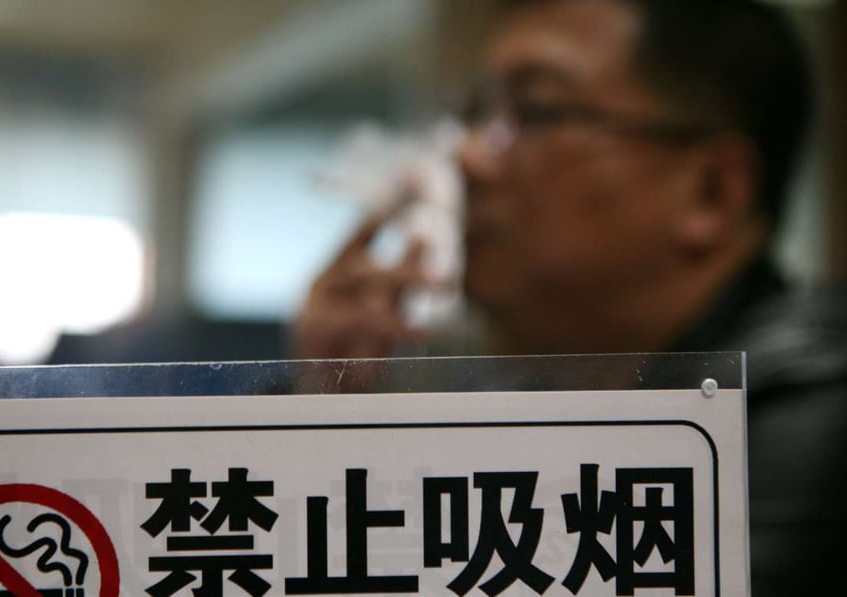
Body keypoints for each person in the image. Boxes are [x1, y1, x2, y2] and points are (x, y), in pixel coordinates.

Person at [294, 0, 847, 594]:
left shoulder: (813, 404)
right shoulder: (521, 397)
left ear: (714, 191)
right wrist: (328, 414)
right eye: (478, 113)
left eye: (536, 112)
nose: (468, 157)